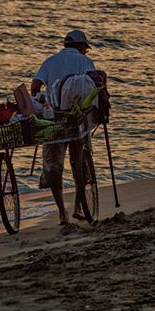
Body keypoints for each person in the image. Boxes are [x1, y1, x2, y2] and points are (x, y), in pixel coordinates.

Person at [31, 29, 96, 225]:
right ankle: (77, 205)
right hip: (76, 118)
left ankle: (62, 212)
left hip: (53, 119)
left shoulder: (50, 61)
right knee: (79, 161)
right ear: (81, 47)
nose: (86, 51)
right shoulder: (85, 62)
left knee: (54, 166)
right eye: (85, 47)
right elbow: (93, 86)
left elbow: (35, 86)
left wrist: (42, 100)